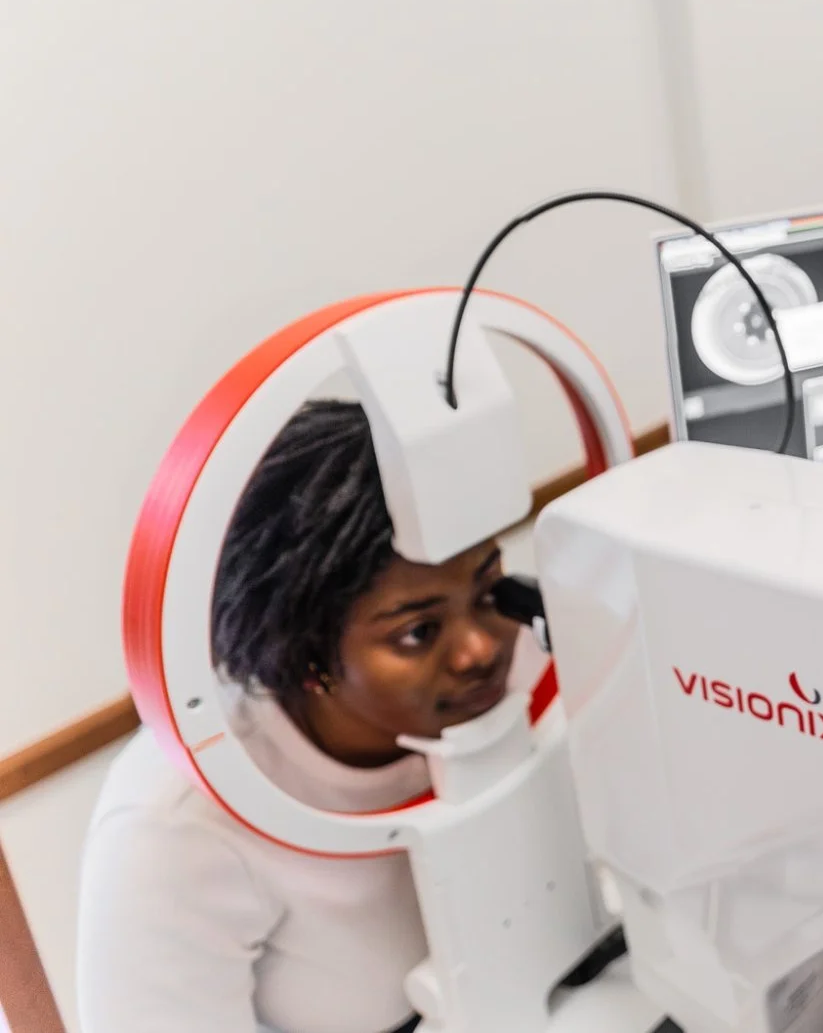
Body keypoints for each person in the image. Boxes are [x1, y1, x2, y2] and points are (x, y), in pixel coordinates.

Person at [77, 399, 529, 1033]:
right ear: (306, 652)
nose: (481, 647)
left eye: (488, 593)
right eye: (420, 631)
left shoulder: (532, 660)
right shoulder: (178, 824)